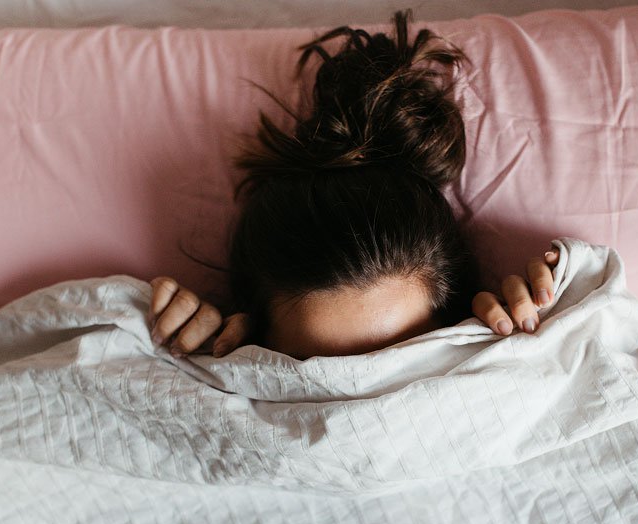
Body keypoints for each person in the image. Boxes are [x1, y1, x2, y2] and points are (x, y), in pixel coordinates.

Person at [148, 9, 560, 361]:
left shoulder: (498, 348)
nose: (360, 393)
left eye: (400, 359)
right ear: (259, 341)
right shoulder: (228, 357)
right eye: (321, 371)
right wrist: (169, 345)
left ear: (454, 325)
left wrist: (541, 334)